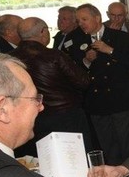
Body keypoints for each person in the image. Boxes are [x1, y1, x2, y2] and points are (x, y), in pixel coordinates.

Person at [11, 17, 92, 155]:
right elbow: (83, 81)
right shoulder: (54, 56)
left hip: (32, 117)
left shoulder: (10, 59)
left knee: (45, 157)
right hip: (66, 116)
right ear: (43, 32)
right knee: (76, 157)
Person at [71, 3, 129, 165]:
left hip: (120, 99)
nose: (81, 24)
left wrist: (109, 50)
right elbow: (75, 71)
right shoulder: (78, 40)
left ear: (97, 18)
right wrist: (87, 61)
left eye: (84, 19)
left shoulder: (119, 37)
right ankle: (114, 176)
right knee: (108, 147)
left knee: (127, 144)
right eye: (78, 21)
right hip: (97, 102)